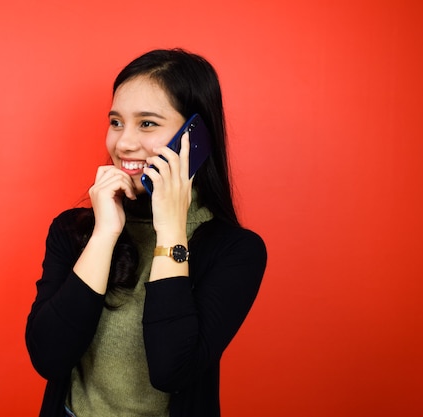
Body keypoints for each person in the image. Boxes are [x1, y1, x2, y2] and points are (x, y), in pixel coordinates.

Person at [25, 48, 267, 417]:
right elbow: (49, 357)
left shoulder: (235, 251)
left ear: (195, 137)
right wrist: (104, 233)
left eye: (148, 124)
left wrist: (171, 230)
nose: (123, 144)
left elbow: (172, 369)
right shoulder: (71, 231)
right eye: (116, 122)